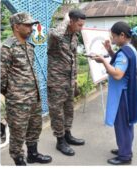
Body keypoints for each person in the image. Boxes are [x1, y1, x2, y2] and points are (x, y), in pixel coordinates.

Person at [0, 12, 52, 165]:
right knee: (17, 133)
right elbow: (1, 77)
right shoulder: (7, 48)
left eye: (32, 25)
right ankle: (19, 160)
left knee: (35, 127)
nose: (31, 28)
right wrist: (12, 94)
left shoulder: (29, 46)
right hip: (18, 101)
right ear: (17, 26)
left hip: (34, 97)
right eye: (28, 25)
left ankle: (33, 154)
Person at [92, 21, 137, 165]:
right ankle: (125, 148)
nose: (112, 39)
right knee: (127, 125)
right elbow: (121, 63)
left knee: (122, 125)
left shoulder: (125, 53)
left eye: (113, 37)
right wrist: (109, 52)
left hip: (123, 95)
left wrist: (103, 60)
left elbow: (117, 74)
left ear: (122, 35)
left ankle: (125, 156)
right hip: (129, 92)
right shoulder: (130, 49)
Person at [47, 9, 86, 156]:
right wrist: (65, 20)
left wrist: (75, 78)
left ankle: (67, 134)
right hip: (56, 81)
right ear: (71, 22)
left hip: (69, 80)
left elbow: (74, 58)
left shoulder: (74, 36)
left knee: (69, 109)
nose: (81, 28)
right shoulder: (56, 34)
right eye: (80, 25)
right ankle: (60, 140)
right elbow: (55, 34)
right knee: (57, 111)